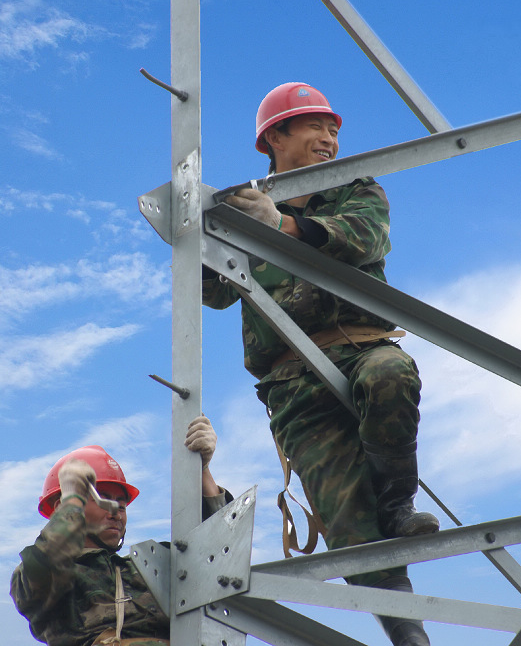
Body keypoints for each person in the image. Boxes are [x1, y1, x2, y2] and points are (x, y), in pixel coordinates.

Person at [202, 82, 438, 646]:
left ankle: (398, 500)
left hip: (360, 347)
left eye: (333, 128)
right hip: (290, 383)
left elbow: (361, 239)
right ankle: (409, 636)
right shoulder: (245, 209)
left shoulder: (356, 191)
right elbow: (212, 293)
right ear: (275, 137)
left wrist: (278, 225)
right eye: (314, 127)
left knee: (391, 377)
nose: (329, 138)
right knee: (351, 529)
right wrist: (200, 238)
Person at [10, 415, 232, 646]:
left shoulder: (150, 566)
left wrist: (203, 469)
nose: (116, 510)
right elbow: (38, 574)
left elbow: (219, 554)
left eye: (122, 503)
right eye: (103, 499)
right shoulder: (59, 575)